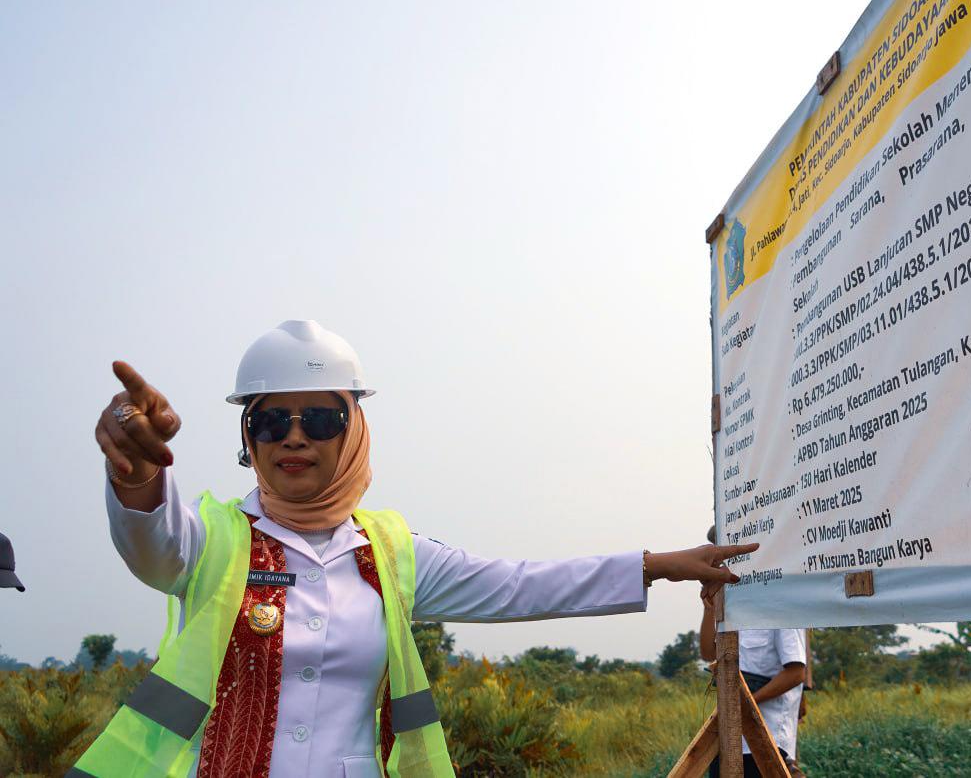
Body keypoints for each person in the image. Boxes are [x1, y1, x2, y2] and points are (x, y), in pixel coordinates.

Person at [74, 320, 756, 777]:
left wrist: (657, 565)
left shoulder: (390, 551)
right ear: (248, 434)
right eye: (271, 418)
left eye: (319, 417)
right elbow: (150, 542)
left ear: (355, 429)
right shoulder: (211, 537)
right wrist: (136, 474)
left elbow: (520, 584)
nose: (293, 436)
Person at [700, 530, 805, 778]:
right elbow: (707, 652)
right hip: (728, 739)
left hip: (767, 740)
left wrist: (745, 704)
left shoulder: (780, 600)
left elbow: (796, 672)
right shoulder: (728, 599)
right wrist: (709, 608)